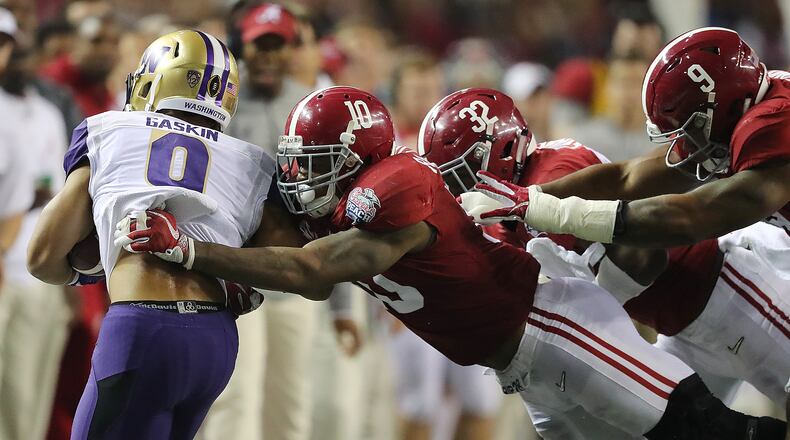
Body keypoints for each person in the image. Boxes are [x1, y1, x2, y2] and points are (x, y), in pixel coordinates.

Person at [116, 85, 785, 440]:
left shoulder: (398, 187)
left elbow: (315, 272)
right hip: (519, 361)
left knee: (707, 430)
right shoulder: (350, 202)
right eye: (296, 160)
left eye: (313, 164)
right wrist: (221, 267)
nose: (297, 177)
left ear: (358, 160)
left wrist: (193, 250)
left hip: (552, 324)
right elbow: (304, 266)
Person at [423, 87, 789, 420]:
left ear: (498, 151)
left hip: (726, 292)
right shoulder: (518, 200)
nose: (460, 192)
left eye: (460, 176)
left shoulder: (550, 175)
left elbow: (646, 259)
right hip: (682, 325)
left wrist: (594, 310)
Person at [27, 30, 272, 439]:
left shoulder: (110, 131)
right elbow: (271, 264)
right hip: (216, 341)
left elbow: (41, 257)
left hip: (144, 329)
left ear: (154, 80)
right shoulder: (250, 162)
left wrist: (90, 267)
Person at [459, 27, 790, 250]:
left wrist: (561, 214)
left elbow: (693, 216)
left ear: (724, 105)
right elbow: (630, 177)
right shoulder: (753, 97)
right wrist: (529, 197)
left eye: (689, 127)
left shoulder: (769, 125)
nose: (686, 143)